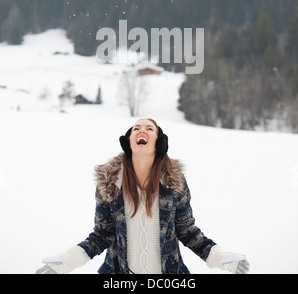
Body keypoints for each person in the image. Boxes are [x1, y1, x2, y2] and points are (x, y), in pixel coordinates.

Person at [36, 118, 250, 275]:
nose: (142, 131)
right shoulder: (110, 183)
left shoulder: (174, 183)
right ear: (129, 142)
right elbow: (102, 234)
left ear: (159, 142)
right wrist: (67, 262)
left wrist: (220, 258)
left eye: (150, 128)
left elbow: (187, 231)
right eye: (136, 129)